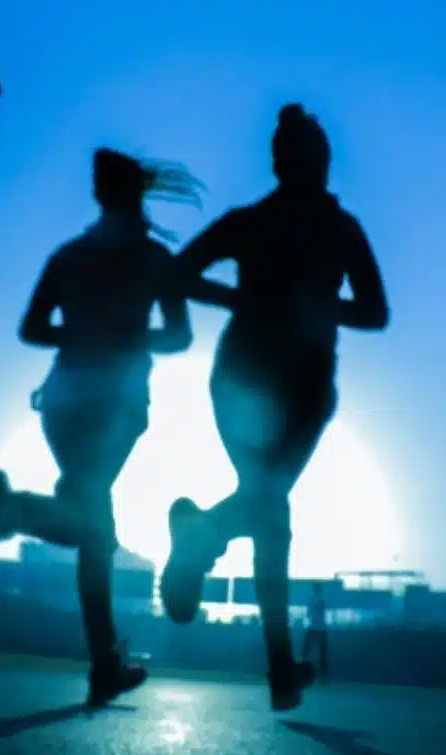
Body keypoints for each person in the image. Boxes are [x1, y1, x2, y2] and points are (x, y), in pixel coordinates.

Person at [157, 103, 391, 711]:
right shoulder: (337, 230)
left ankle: (202, 540)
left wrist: (251, 300)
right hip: (287, 388)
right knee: (270, 510)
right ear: (318, 163)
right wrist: (304, 305)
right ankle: (278, 666)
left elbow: (178, 276)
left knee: (267, 508)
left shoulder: (257, 222)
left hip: (263, 385)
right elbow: (373, 312)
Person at [0, 148, 201, 706]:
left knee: (94, 529)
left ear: (98, 195)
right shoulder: (155, 260)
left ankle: (104, 660)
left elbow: (33, 328)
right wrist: (128, 338)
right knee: (95, 532)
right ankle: (10, 513)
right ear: (138, 195)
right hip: (116, 407)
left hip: (62, 403)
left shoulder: (69, 257)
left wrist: (82, 334)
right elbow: (181, 337)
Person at [299, 582, 331, 681]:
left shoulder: (310, 599)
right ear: (321, 589)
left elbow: (308, 614)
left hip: (313, 627)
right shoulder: (324, 599)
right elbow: (328, 611)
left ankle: (302, 674)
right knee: (323, 653)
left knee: (305, 652)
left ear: (314, 588)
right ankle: (323, 677)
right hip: (322, 628)